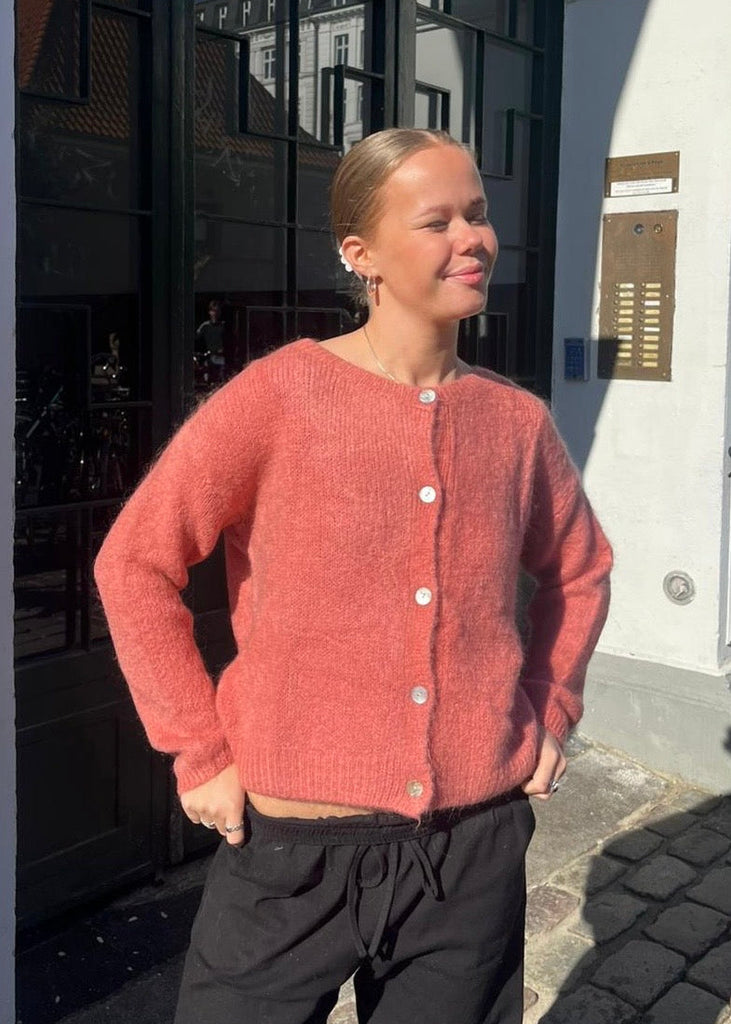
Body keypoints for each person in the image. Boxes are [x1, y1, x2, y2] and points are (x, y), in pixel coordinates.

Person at [94, 128, 613, 1024]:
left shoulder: (514, 422)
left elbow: (581, 568)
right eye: (437, 220)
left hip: (471, 849)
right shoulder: (280, 396)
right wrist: (198, 751)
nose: (472, 240)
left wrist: (549, 705)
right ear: (359, 253)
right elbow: (134, 563)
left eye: (479, 215)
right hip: (289, 848)